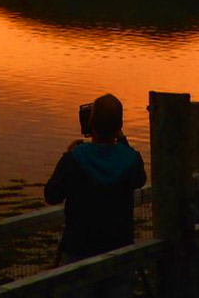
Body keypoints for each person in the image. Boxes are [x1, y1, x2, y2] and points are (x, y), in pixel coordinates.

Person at [43, 92, 147, 264]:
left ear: (91, 123)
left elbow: (51, 195)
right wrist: (121, 138)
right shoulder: (132, 160)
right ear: (119, 126)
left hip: (79, 253)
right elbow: (140, 179)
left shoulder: (74, 159)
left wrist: (67, 156)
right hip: (120, 253)